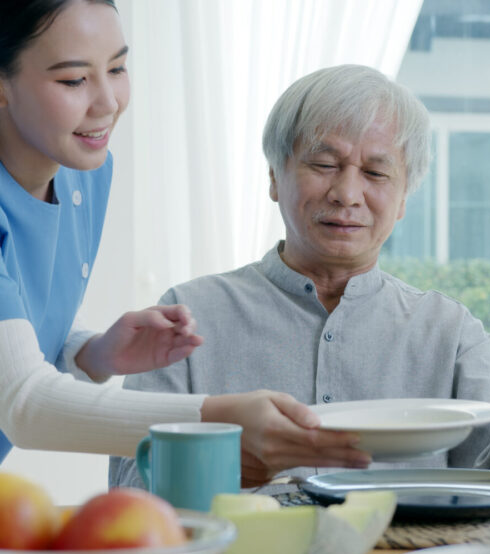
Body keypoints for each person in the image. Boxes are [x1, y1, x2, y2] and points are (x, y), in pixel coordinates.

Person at [110, 64, 490, 490]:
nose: (347, 193)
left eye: (377, 174)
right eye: (324, 164)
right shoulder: (189, 317)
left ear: (403, 199)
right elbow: (130, 489)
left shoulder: (448, 332)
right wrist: (217, 467)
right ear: (274, 177)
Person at [0, 1, 368, 479]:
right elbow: (24, 406)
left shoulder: (82, 176)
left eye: (117, 68)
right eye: (73, 80)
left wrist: (90, 353)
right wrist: (217, 421)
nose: (108, 101)